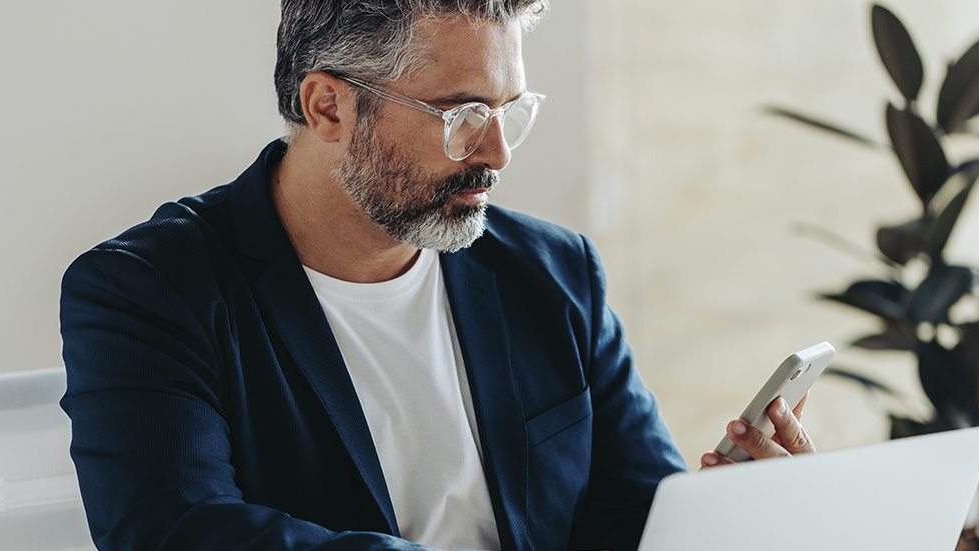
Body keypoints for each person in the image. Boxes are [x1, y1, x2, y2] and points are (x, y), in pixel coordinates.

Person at [58, 1, 816, 550]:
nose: (497, 153)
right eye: (462, 114)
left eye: (509, 110)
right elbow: (176, 530)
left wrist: (727, 513)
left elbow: (629, 516)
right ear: (328, 107)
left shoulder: (553, 274)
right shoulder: (148, 290)